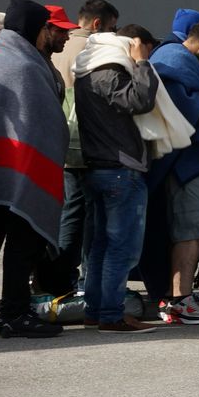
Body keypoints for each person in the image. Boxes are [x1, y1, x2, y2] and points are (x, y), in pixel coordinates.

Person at [0, 0, 70, 338]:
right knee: (22, 248)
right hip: (17, 175)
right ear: (34, 30)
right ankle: (13, 313)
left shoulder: (0, 57)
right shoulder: (23, 66)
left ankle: (10, 311)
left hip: (0, 173)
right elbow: (42, 124)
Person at [73, 26, 160, 333]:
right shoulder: (109, 74)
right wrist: (141, 64)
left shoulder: (84, 73)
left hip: (97, 167)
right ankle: (111, 314)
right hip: (121, 169)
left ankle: (96, 311)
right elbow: (140, 101)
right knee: (121, 248)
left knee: (99, 246)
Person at [147, 14, 199, 324]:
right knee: (190, 231)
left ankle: (176, 297)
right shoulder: (175, 59)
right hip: (186, 164)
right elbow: (174, 107)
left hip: (180, 162)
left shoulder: (169, 56)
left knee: (184, 230)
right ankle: (180, 301)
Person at [37, 0, 117, 295]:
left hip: (58, 144)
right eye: (112, 26)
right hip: (82, 143)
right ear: (98, 24)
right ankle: (70, 279)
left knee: (68, 211)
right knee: (83, 215)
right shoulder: (94, 49)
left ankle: (58, 276)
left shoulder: (45, 54)